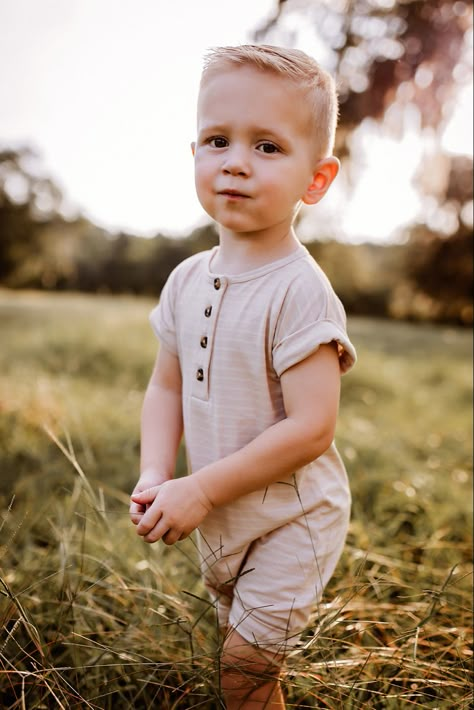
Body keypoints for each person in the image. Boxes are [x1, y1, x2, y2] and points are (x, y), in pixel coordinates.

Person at [130, 44, 356, 709]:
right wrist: (155, 473)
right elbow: (165, 386)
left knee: (245, 666)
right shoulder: (183, 279)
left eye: (267, 147)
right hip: (224, 515)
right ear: (193, 152)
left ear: (315, 180)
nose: (234, 160)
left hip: (294, 517)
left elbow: (314, 427)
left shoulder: (300, 292)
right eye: (217, 140)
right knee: (245, 666)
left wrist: (200, 488)